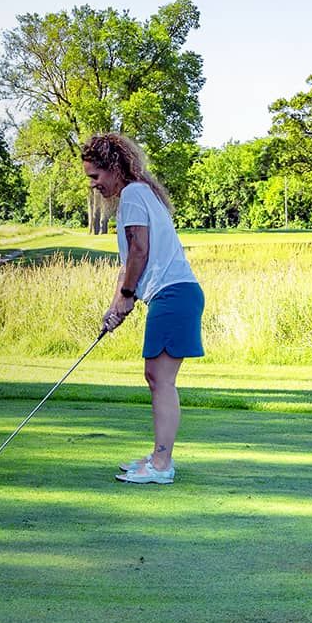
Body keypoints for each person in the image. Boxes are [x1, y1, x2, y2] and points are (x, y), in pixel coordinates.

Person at [81, 132, 205, 485]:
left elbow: (140, 251)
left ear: (115, 168)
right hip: (174, 295)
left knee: (160, 379)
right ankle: (158, 457)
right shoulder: (139, 194)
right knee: (157, 377)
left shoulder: (134, 194)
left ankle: (162, 466)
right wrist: (117, 304)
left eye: (95, 176)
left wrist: (128, 295)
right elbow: (129, 261)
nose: (93, 184)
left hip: (173, 295)